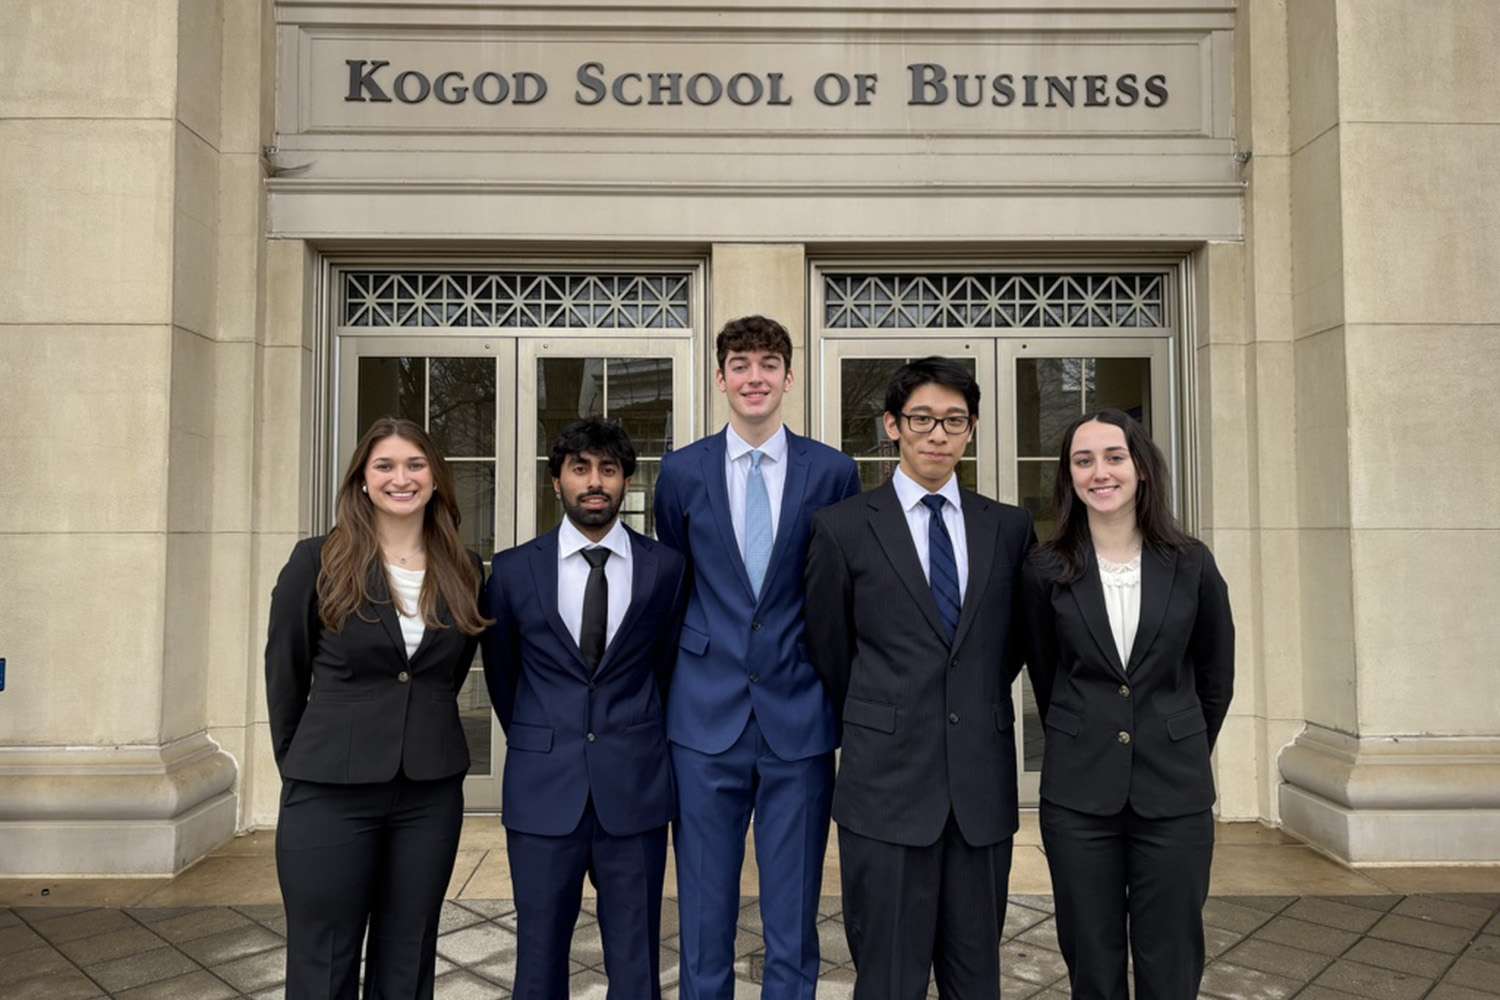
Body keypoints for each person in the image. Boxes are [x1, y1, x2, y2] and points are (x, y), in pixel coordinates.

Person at [804, 357, 1035, 1000]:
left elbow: (1009, 645)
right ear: (893, 426)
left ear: (972, 428)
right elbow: (830, 648)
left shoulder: (1009, 527)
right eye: (922, 419)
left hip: (980, 791)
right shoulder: (843, 526)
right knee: (887, 981)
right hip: (885, 788)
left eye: (953, 420)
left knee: (975, 980)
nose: (938, 434)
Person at [653, 315, 861, 1000]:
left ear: (789, 377)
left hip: (797, 713)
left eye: (768, 363)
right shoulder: (681, 472)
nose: (754, 377)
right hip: (704, 718)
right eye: (740, 364)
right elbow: (675, 583)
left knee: (795, 912)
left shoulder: (831, 471)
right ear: (720, 378)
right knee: (705, 909)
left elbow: (838, 590)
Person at [265, 416, 489, 1000]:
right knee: (325, 958)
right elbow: (285, 675)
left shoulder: (464, 567)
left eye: (415, 464)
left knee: (407, 953)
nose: (401, 478)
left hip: (428, 794)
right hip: (329, 791)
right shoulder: (317, 560)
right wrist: (300, 767)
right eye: (385, 465)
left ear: (435, 478)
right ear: (362, 480)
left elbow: (441, 677)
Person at [1020, 408, 1234, 1000]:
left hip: (1174, 795)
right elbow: (1047, 674)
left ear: (1140, 466)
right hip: (1079, 799)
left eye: (1113, 457)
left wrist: (1174, 738)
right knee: (1092, 957)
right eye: (1083, 461)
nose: (1100, 472)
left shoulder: (1191, 563)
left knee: (1172, 961)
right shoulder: (1045, 569)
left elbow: (1215, 677)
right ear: (1069, 477)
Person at [483, 418, 688, 1000]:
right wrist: (547, 734)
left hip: (636, 790)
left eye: (608, 469)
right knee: (539, 958)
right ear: (557, 482)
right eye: (580, 468)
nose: (594, 481)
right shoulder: (514, 570)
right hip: (544, 793)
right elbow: (505, 676)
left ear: (625, 481)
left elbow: (668, 668)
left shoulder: (665, 569)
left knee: (637, 958)